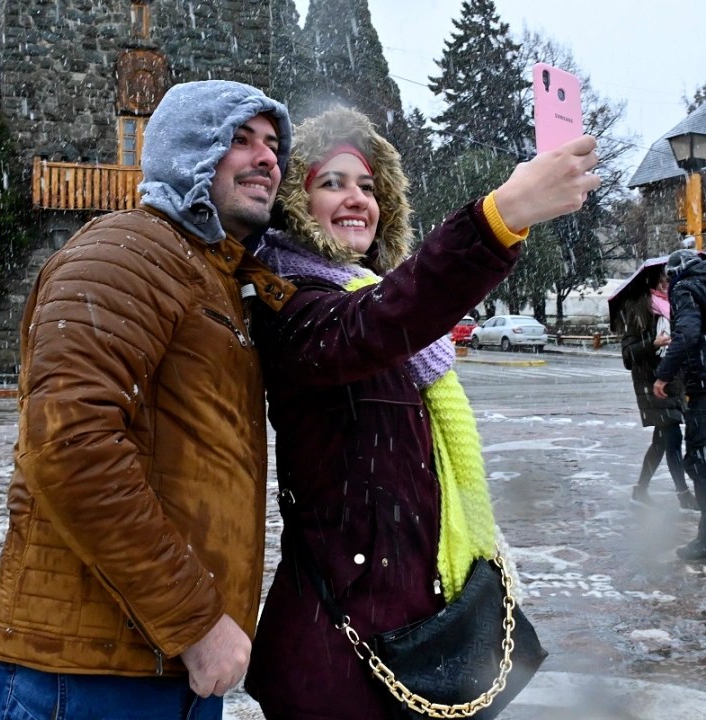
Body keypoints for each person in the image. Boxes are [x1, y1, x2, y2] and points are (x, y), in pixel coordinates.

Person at [240, 106, 599, 719]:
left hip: (418, 632)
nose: (357, 199)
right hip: (340, 656)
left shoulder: (388, 312)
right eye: (332, 183)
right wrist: (500, 217)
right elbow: (381, 320)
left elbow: (397, 314)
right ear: (297, 206)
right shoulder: (294, 308)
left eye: (369, 186)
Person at [0, 79, 295, 720]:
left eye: (272, 144)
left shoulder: (212, 276)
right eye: (241, 140)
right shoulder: (123, 254)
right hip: (90, 675)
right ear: (189, 153)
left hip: (165, 666)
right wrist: (197, 623)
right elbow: (72, 449)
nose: (267, 158)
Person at [619, 268, 693, 510]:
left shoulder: (675, 308)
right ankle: (684, 495)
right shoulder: (638, 308)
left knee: (661, 441)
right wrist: (653, 343)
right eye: (661, 280)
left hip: (674, 381)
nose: (665, 284)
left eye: (668, 280)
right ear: (651, 281)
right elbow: (628, 355)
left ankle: (640, 490)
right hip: (652, 384)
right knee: (673, 436)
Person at [654, 249, 706, 560]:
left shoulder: (687, 287)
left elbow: (687, 334)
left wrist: (663, 374)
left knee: (698, 461)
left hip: (703, 386)